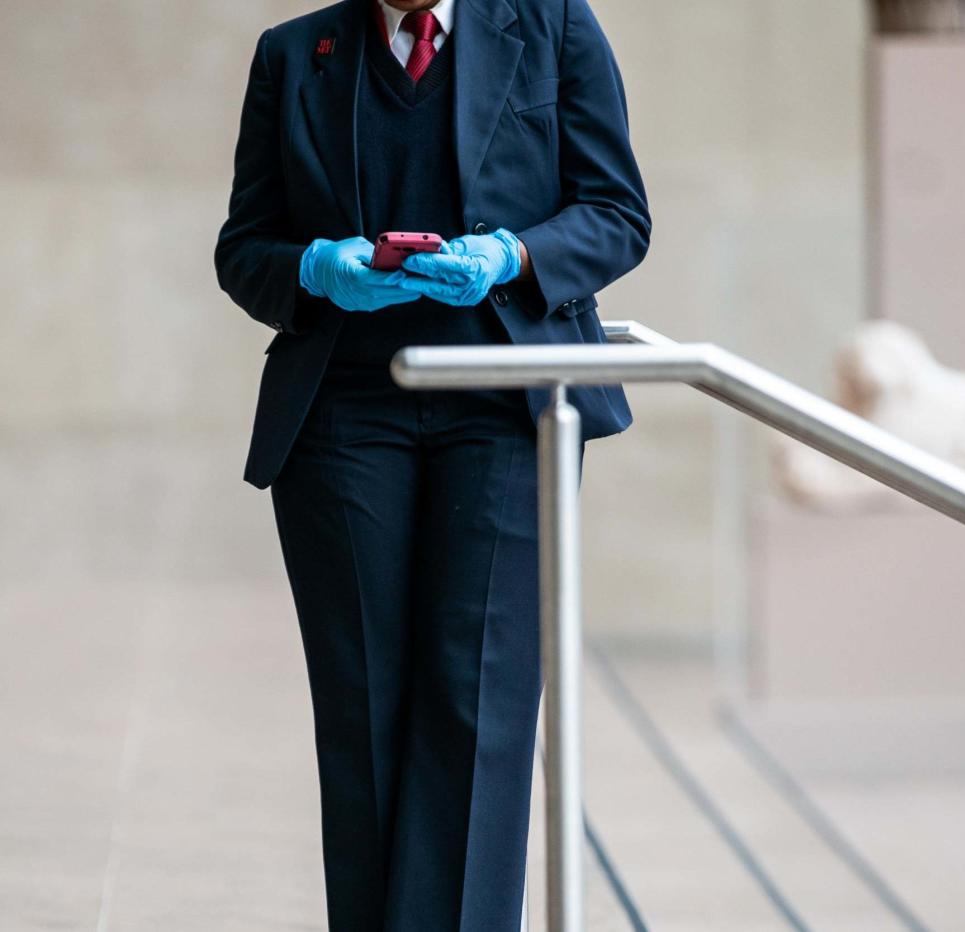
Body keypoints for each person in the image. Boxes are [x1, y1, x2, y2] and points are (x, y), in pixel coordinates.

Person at [213, 0, 650, 927]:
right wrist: (317, 268)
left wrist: (514, 254)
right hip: (344, 418)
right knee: (364, 713)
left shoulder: (555, 26)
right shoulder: (294, 55)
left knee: (478, 708)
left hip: (505, 410)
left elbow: (617, 214)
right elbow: (243, 249)